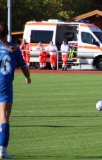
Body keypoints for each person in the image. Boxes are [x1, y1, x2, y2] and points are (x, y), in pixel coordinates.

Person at [0, 21, 31, 159]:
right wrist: (28, 78)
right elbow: (24, 67)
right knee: (4, 116)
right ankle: (2, 150)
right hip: (5, 83)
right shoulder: (13, 48)